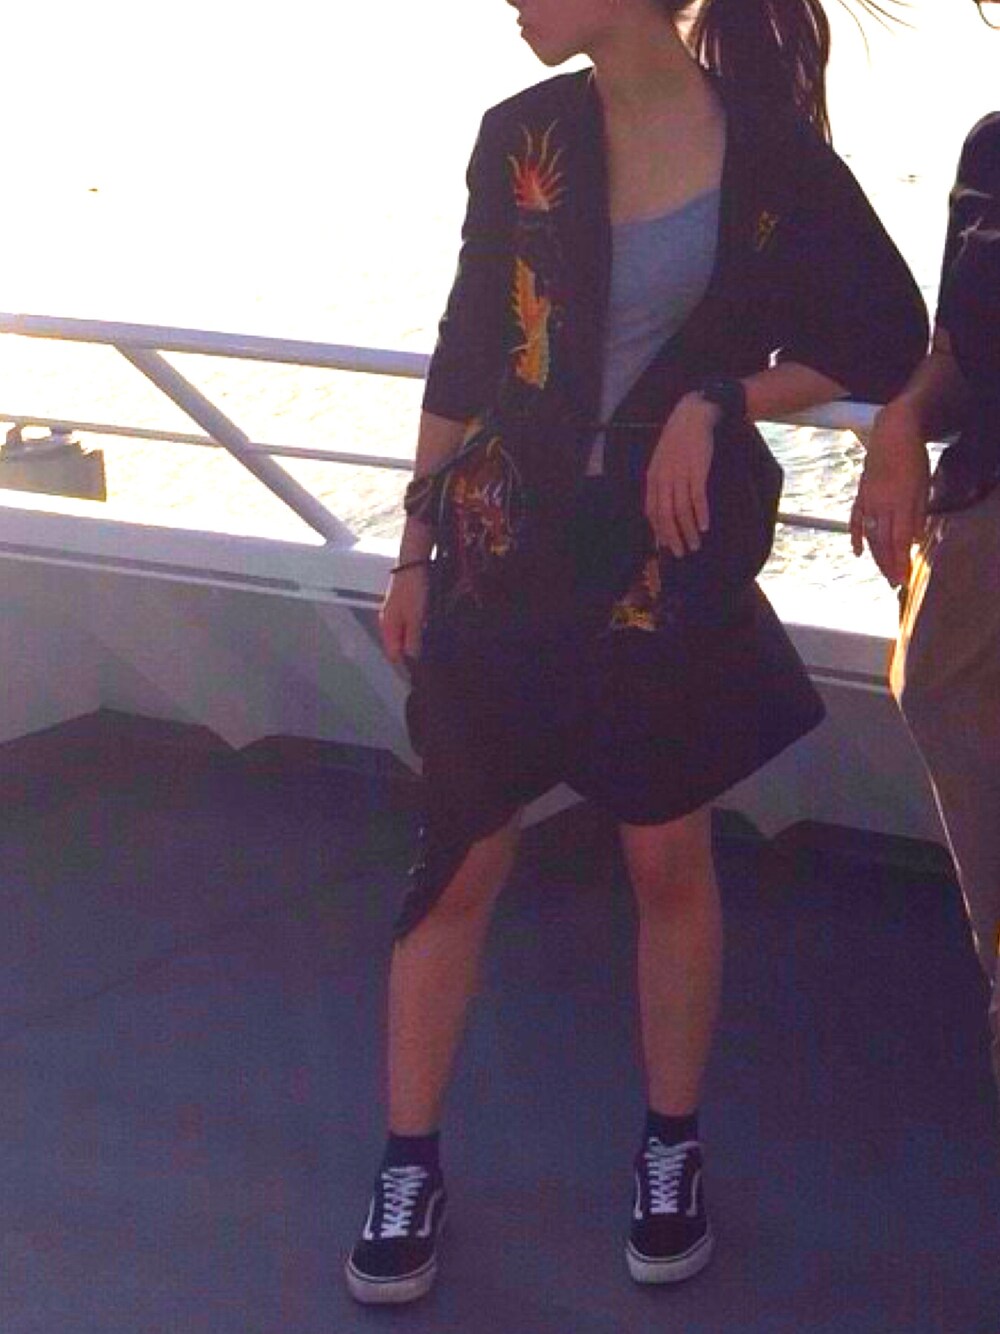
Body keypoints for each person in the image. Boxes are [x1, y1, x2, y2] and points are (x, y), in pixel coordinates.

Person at [347, 0, 927, 1305]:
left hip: (660, 564)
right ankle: (407, 1161)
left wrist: (721, 397)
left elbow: (885, 336)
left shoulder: (769, 154)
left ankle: (670, 1147)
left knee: (665, 853)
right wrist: (413, 550)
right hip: (504, 550)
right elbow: (468, 347)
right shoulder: (523, 137)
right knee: (460, 854)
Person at [851, 1, 1000, 1098]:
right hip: (985, 514)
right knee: (935, 685)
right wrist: (901, 421)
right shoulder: (990, 153)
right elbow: (958, 348)